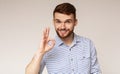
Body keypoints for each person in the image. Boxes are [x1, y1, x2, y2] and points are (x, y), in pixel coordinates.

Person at [25, 2, 101, 74]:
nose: (62, 27)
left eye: (68, 22)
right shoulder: (47, 48)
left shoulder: (88, 44)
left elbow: (96, 72)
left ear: (75, 22)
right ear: (53, 22)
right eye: (58, 21)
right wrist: (40, 52)